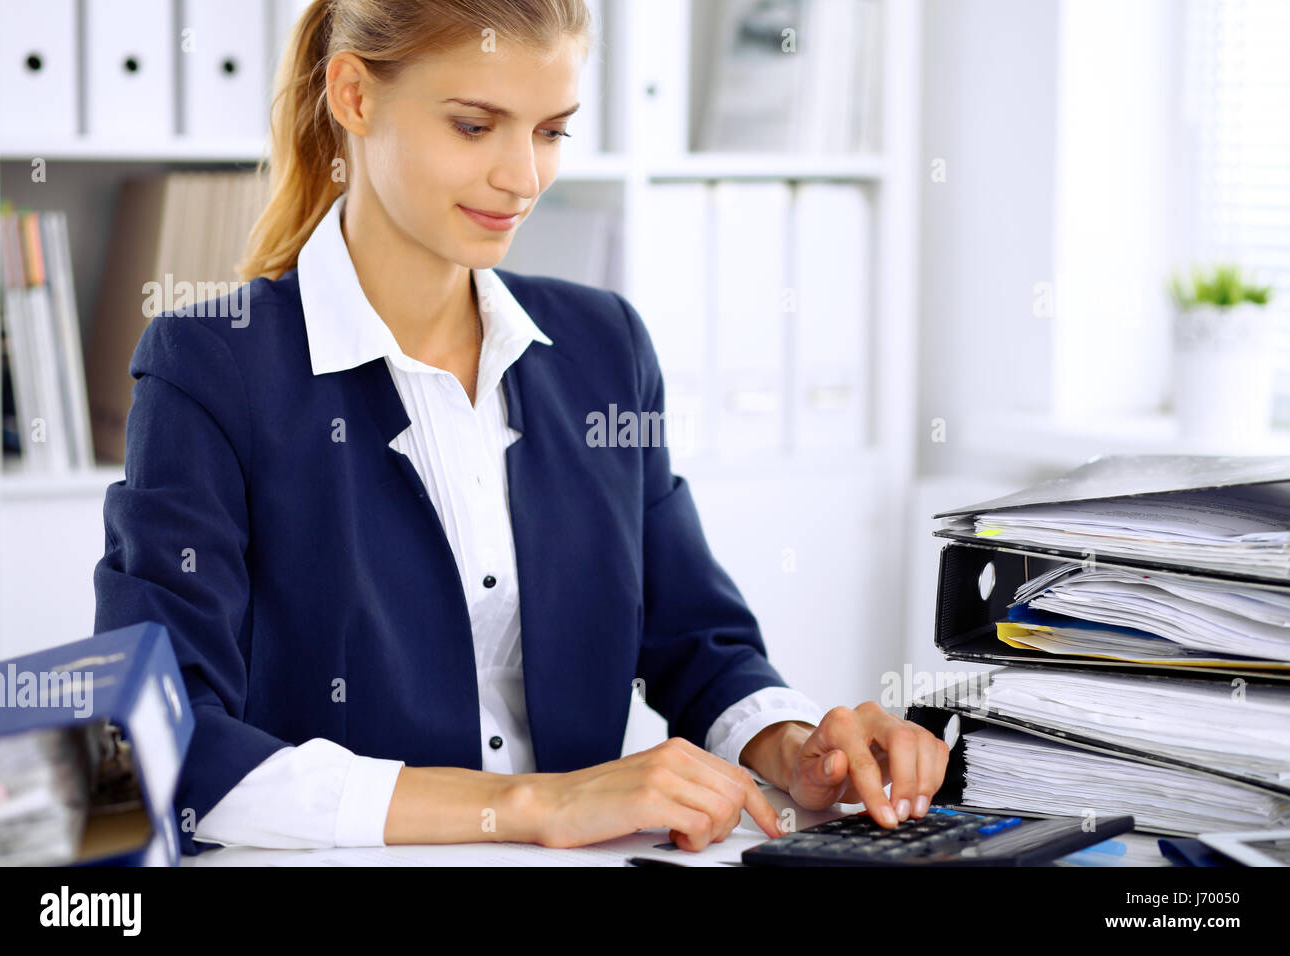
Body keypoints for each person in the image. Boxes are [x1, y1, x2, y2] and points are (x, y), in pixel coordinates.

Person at [93, 0, 948, 858]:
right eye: (475, 126)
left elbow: (697, 642)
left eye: (550, 132)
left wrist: (798, 751)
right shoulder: (211, 368)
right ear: (352, 97)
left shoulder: (603, 348)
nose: (524, 177)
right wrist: (535, 805)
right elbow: (164, 743)